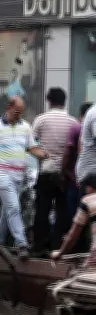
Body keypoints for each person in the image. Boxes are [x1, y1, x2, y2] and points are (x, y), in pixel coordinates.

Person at [0, 96, 49, 260]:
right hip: (1, 174)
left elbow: (32, 147)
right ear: (9, 107)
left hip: (19, 175)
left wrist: (43, 154)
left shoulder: (26, 127)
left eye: (21, 112)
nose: (19, 115)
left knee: (7, 210)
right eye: (16, 112)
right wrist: (1, 160)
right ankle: (22, 244)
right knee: (14, 207)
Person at [51, 172, 96, 315]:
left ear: (89, 187)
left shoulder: (88, 201)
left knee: (83, 287)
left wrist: (60, 253)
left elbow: (72, 236)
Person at [32, 87, 79, 254]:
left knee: (42, 210)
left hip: (46, 171)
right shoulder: (73, 122)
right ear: (64, 102)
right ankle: (56, 245)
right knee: (62, 210)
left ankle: (39, 246)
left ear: (49, 101)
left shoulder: (40, 120)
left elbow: (32, 143)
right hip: (64, 173)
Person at [62, 102, 94, 246]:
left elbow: (75, 150)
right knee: (82, 220)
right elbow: (72, 151)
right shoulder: (92, 115)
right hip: (88, 178)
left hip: (82, 178)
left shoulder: (78, 127)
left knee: (81, 219)